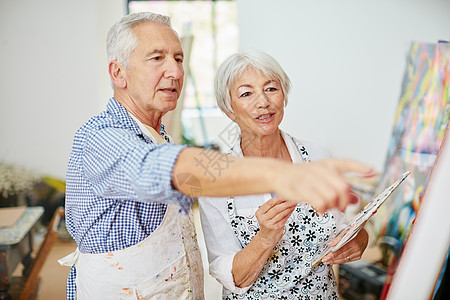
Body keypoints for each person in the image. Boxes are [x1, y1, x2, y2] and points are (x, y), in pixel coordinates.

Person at [60, 12, 372, 300]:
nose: (175, 70)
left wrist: (359, 238)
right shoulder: (101, 136)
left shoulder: (156, 134)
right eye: (157, 58)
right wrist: (284, 174)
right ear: (119, 72)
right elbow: (167, 168)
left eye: (179, 58)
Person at [198, 49, 370, 299]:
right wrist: (266, 237)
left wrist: (360, 239)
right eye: (246, 93)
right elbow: (229, 276)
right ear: (229, 110)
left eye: (271, 89)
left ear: (284, 95)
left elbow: (341, 228)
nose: (263, 103)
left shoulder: (318, 156)